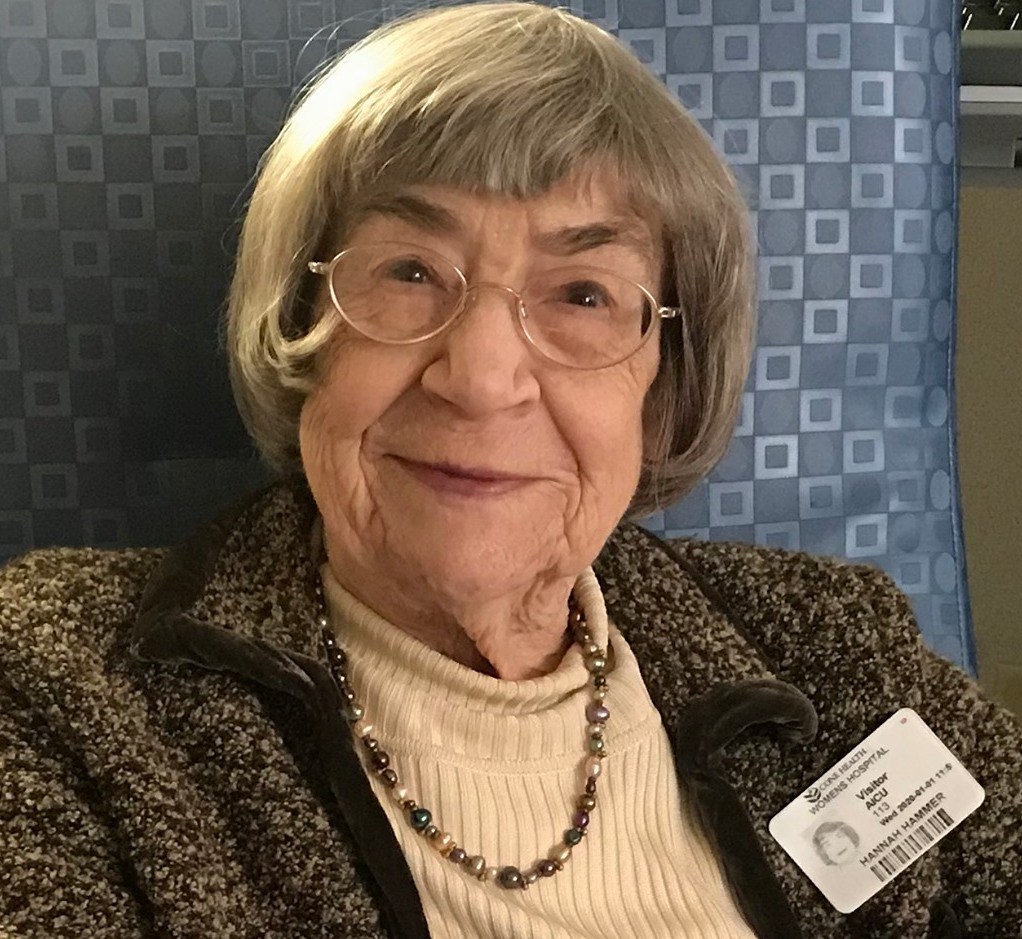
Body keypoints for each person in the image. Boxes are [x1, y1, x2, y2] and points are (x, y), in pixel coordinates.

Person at [1, 3, 1020, 938]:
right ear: (304, 324)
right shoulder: (61, 684)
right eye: (408, 271)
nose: (482, 379)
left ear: (664, 379)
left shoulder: (840, 653)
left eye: (581, 293)